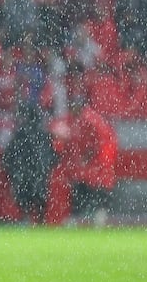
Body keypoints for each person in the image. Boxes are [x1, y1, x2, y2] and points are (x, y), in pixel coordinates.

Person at [46, 92, 118, 226]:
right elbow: (60, 134)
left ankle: (94, 219)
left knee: (95, 192)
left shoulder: (91, 120)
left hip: (96, 166)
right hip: (86, 167)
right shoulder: (76, 119)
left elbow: (101, 142)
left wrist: (89, 158)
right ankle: (82, 218)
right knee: (82, 192)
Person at [1, 101, 57, 223]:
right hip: (38, 176)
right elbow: (52, 156)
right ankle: (39, 222)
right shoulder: (43, 134)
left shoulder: (21, 133)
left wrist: (14, 170)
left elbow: (8, 155)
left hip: (25, 176)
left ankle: (26, 221)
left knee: (26, 203)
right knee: (39, 202)